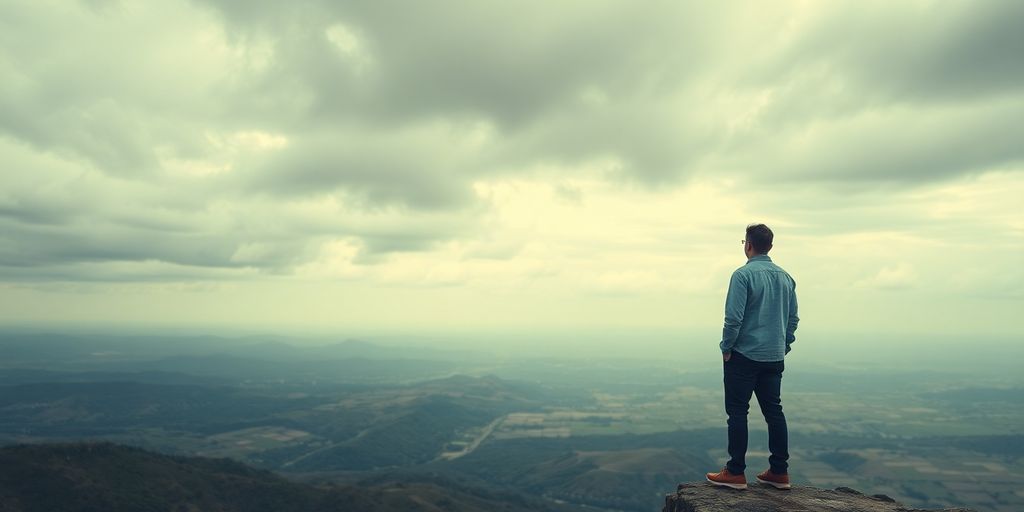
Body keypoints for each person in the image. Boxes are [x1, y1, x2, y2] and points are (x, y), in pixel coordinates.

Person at [706, 223, 799, 490]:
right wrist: (784, 345)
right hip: (774, 356)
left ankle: (735, 472)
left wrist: (726, 347)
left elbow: (733, 318)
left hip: (744, 356)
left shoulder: (742, 276)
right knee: (774, 412)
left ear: (748, 245)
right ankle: (779, 472)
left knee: (737, 412)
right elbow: (793, 319)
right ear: (770, 246)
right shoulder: (785, 277)